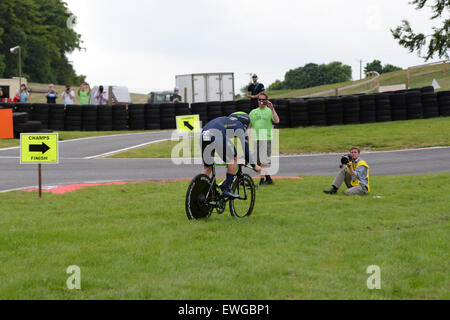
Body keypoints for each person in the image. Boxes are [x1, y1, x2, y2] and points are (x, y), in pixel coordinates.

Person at [201, 112, 261, 198]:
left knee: (207, 167)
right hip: (216, 133)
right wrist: (254, 166)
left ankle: (201, 191)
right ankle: (227, 189)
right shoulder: (241, 126)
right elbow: (246, 150)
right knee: (233, 158)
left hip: (204, 133)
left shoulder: (227, 120)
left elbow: (220, 147)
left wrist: (226, 160)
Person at [249, 93, 280, 186]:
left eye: (263, 100)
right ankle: (269, 178)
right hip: (255, 138)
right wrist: (247, 138)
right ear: (257, 100)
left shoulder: (269, 111)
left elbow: (277, 121)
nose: (261, 102)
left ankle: (262, 181)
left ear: (266, 101)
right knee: (257, 162)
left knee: (263, 161)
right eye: (259, 99)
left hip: (266, 138)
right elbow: (249, 126)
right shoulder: (253, 112)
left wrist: (272, 108)